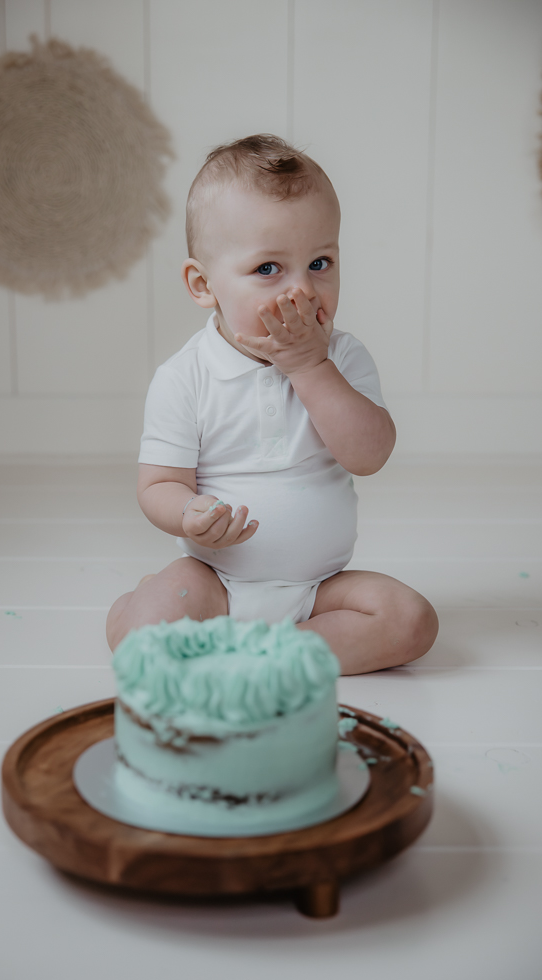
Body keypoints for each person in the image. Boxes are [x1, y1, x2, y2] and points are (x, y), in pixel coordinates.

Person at [106, 134, 438, 674]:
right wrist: (188, 515)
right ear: (203, 284)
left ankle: (269, 656)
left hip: (318, 592)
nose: (302, 292)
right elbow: (158, 484)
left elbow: (369, 455)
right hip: (216, 582)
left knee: (411, 620)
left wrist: (310, 367)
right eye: (268, 269)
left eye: (320, 262)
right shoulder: (185, 377)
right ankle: (160, 612)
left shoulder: (343, 358)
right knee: (146, 627)